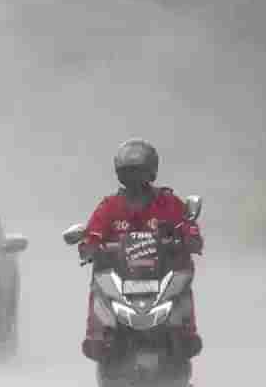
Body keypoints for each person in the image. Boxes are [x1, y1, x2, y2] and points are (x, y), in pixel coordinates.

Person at [79, 139, 203, 362]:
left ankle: (186, 331)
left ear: (151, 172)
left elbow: (186, 225)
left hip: (163, 274)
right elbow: (93, 233)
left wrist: (190, 237)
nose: (134, 179)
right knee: (98, 283)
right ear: (119, 175)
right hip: (121, 277)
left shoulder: (168, 202)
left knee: (184, 277)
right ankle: (97, 333)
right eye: (128, 173)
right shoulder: (109, 206)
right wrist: (89, 246)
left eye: (140, 173)